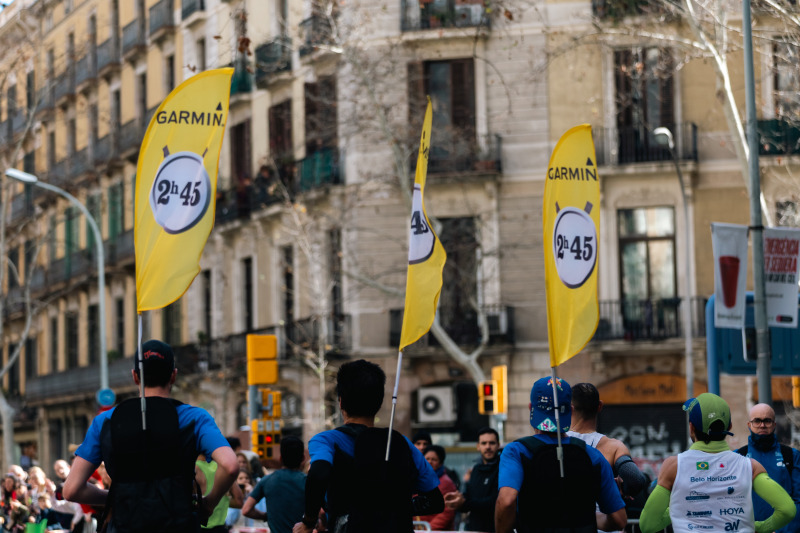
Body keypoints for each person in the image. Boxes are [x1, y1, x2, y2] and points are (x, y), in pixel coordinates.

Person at [63, 339, 239, 533]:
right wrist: (209, 503)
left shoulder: (105, 421)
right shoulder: (195, 418)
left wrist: (116, 498)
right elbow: (230, 466)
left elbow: (71, 490)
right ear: (173, 375)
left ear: (135, 377)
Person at [293, 359, 443, 533]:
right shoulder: (401, 443)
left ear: (340, 402)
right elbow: (435, 501)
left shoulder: (326, 440)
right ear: (378, 404)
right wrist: (389, 510)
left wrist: (308, 522)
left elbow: (319, 472)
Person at [639, 393, 796, 533]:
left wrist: (678, 508)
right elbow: (787, 510)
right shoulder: (750, 466)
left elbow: (647, 526)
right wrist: (761, 527)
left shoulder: (674, 466)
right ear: (729, 427)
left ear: (691, 428)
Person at [495, 376, 626, 533]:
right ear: (570, 411)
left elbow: (507, 501)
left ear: (531, 408)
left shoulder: (517, 451)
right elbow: (619, 520)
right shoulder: (593, 456)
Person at [735, 403, 800, 533]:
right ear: (749, 425)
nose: (762, 425)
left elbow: (798, 500)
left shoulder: (791, 456)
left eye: (767, 421)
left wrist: (780, 530)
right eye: (757, 421)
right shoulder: (737, 457)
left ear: (774, 424)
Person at [243, 435, 306, 533]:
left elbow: (246, 510)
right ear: (303, 458)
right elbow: (322, 511)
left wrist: (266, 516)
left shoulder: (267, 480)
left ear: (280, 458)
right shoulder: (308, 482)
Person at [444, 426, 500, 532]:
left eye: (491, 443)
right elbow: (469, 496)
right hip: (474, 528)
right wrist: (458, 501)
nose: (488, 447)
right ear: (478, 446)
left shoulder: (503, 468)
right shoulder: (476, 469)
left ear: (498, 445)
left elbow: (495, 501)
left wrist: (465, 503)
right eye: (484, 443)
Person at [418, 445, 457, 530]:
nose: (430, 462)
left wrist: (428, 529)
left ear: (440, 463)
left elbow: (446, 512)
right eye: (427, 459)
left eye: (434, 459)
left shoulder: (446, 483)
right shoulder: (419, 480)